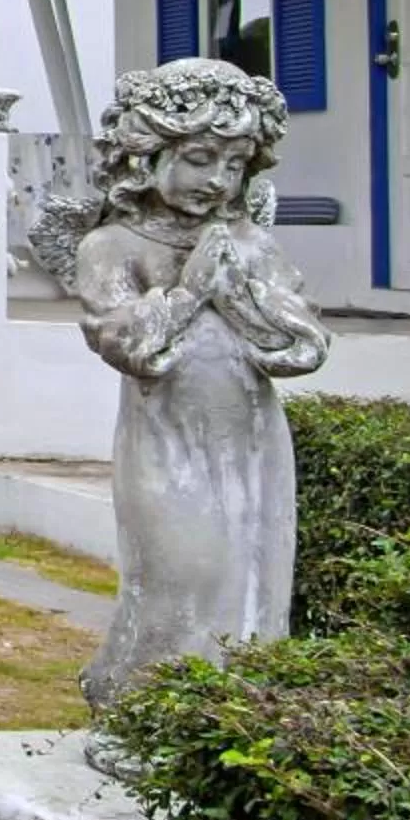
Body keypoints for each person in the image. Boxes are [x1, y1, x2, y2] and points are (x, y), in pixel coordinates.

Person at [71, 61, 328, 755]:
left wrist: (238, 292)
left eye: (236, 163)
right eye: (200, 158)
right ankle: (142, 720)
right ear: (148, 155)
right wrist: (190, 292)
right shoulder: (111, 246)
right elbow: (124, 343)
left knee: (252, 584)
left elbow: (301, 345)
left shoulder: (252, 244)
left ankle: (232, 733)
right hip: (166, 441)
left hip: (252, 441)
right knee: (181, 578)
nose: (218, 179)